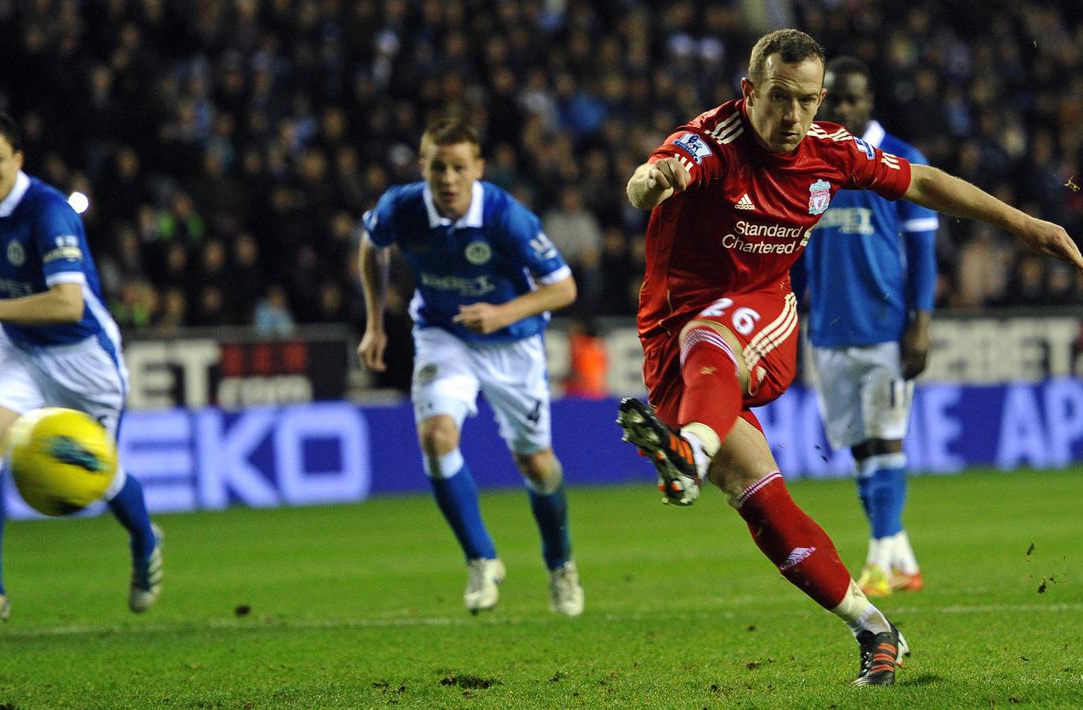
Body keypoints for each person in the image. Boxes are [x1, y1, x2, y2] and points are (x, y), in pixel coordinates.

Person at [619, 29, 1082, 686]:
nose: (792, 116)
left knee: (712, 336)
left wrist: (1028, 226)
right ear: (748, 93)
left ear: (821, 99)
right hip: (671, 346)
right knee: (756, 494)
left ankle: (686, 451)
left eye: (807, 100)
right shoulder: (710, 142)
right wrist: (650, 179)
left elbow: (922, 181)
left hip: (758, 321)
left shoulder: (829, 151)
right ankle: (873, 628)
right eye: (779, 98)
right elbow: (654, 177)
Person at [0, 109, 163, 635]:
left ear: (18, 159)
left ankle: (144, 539)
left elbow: (68, 304)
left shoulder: (48, 212)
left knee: (93, 477)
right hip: (18, 347)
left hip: (83, 357)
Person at [358, 118, 585, 617]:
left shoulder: (507, 216)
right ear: (423, 167)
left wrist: (502, 313)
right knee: (436, 437)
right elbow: (372, 246)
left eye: (459, 167)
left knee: (537, 465)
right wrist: (375, 323)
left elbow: (564, 287)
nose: (448, 178)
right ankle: (481, 558)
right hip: (444, 333)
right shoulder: (402, 206)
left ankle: (560, 563)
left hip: (512, 343)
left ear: (478, 169)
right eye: (437, 166)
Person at [797, 56, 935, 598]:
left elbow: (923, 254)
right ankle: (901, 558)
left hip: (884, 328)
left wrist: (920, 324)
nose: (844, 109)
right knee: (859, 448)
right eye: (835, 100)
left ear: (870, 100)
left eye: (853, 99)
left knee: (887, 440)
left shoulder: (900, 159)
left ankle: (878, 560)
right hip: (828, 330)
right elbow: (800, 253)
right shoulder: (811, 160)